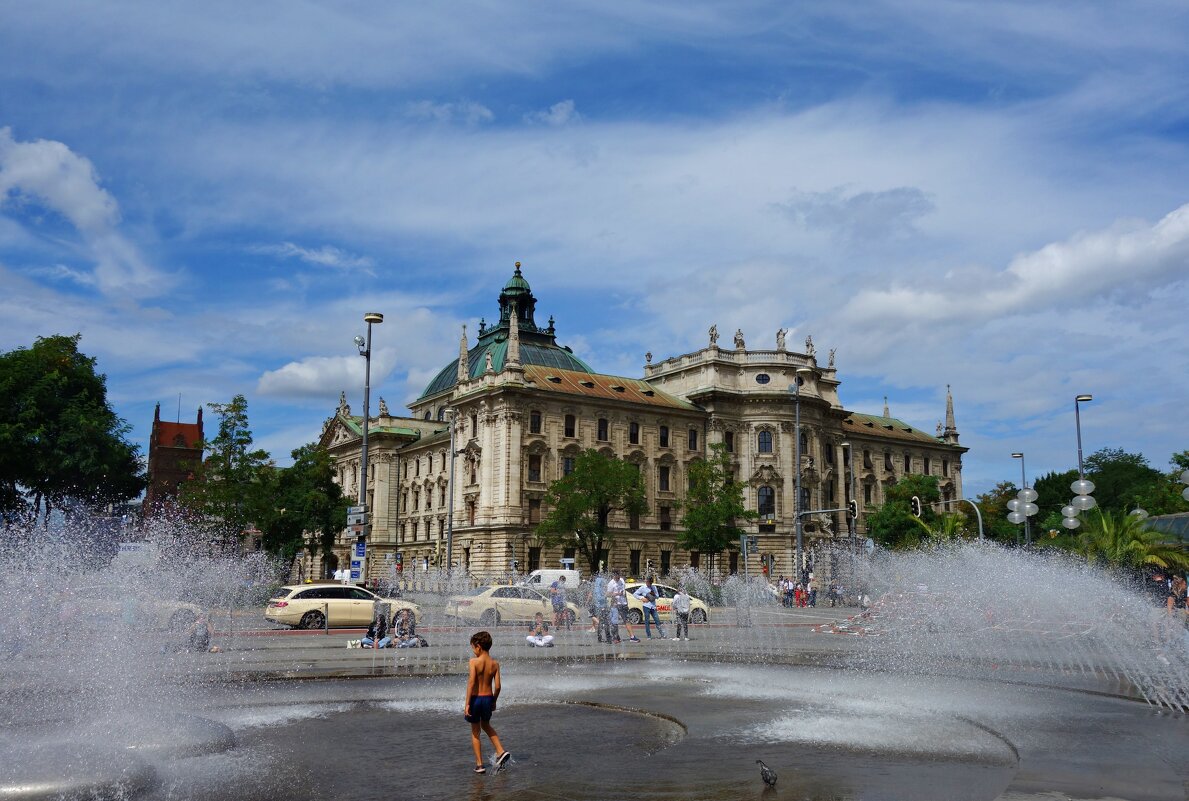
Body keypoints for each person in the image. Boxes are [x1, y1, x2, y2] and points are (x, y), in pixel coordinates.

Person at [465, 631, 510, 774]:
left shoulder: (474, 662)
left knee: (475, 732)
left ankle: (479, 765)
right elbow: (498, 686)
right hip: (488, 698)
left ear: (478, 646)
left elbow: (471, 683)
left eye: (473, 648)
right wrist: (494, 701)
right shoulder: (495, 664)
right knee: (486, 725)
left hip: (476, 699)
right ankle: (500, 750)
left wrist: (467, 704)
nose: (473, 651)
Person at [607, 570, 639, 642]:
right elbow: (607, 594)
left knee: (627, 620)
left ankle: (632, 637)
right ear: (614, 576)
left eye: (619, 576)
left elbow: (624, 592)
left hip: (623, 604)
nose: (618, 578)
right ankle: (615, 637)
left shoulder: (621, 580)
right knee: (614, 621)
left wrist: (626, 602)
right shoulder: (611, 583)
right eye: (617, 576)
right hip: (615, 605)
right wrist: (616, 594)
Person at [590, 573, 608, 641]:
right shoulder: (599, 588)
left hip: (600, 605)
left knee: (601, 621)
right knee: (601, 621)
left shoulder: (598, 588)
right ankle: (600, 637)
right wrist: (605, 596)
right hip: (601, 606)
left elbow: (599, 597)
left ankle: (600, 637)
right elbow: (600, 598)